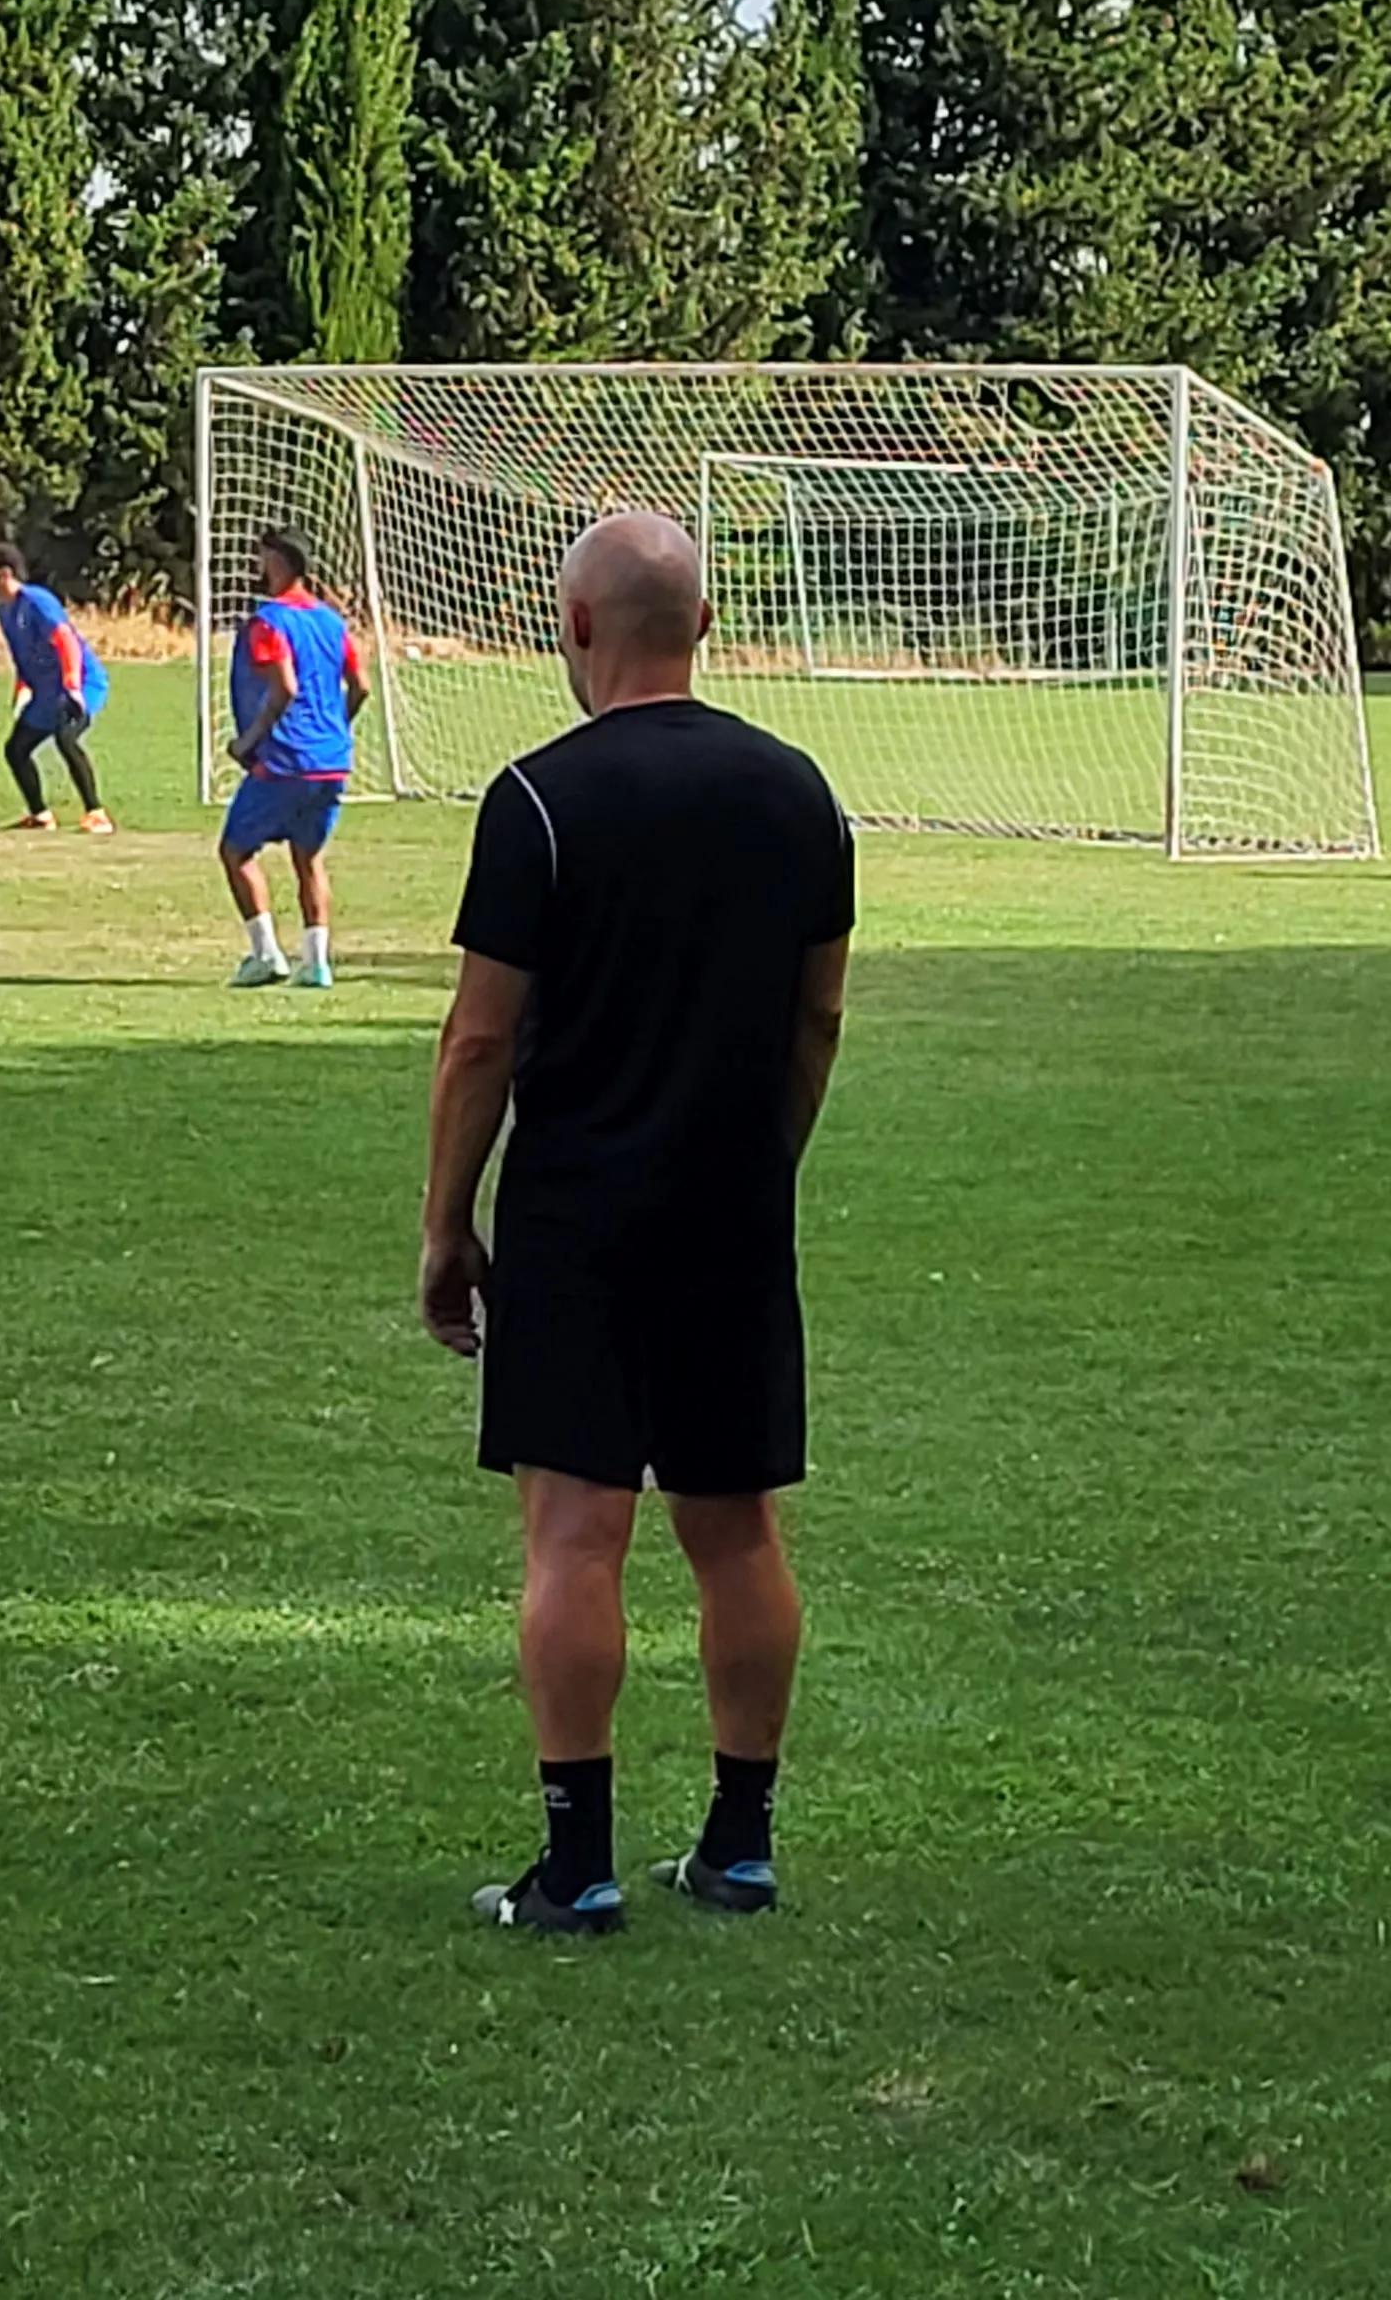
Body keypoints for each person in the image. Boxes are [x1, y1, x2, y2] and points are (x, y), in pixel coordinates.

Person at [421, 514, 854, 1938]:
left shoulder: (537, 802)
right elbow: (818, 1013)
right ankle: (739, 1842)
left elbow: (481, 1042)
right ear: (706, 627)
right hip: (734, 1214)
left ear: (579, 629)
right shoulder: (801, 796)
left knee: (577, 1536)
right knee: (737, 1534)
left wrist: (447, 1223)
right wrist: (763, 1160)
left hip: (577, 1218)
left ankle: (580, 1859)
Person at [220, 530, 366, 990]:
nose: (259, 570)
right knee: (309, 859)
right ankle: (317, 964)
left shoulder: (269, 622)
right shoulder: (331, 621)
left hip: (286, 759)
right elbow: (361, 685)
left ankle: (266, 955)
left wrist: (250, 740)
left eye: (263, 561)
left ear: (279, 564)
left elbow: (285, 687)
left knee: (236, 851)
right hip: (331, 760)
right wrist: (336, 728)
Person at [0, 543, 113, 834]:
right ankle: (40, 816)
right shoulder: (4, 611)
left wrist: (73, 687)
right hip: (45, 691)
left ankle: (97, 814)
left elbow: (65, 639)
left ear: (3, 573)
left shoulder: (37, 600)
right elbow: (23, 655)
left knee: (66, 738)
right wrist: (22, 688)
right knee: (16, 749)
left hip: (81, 682)